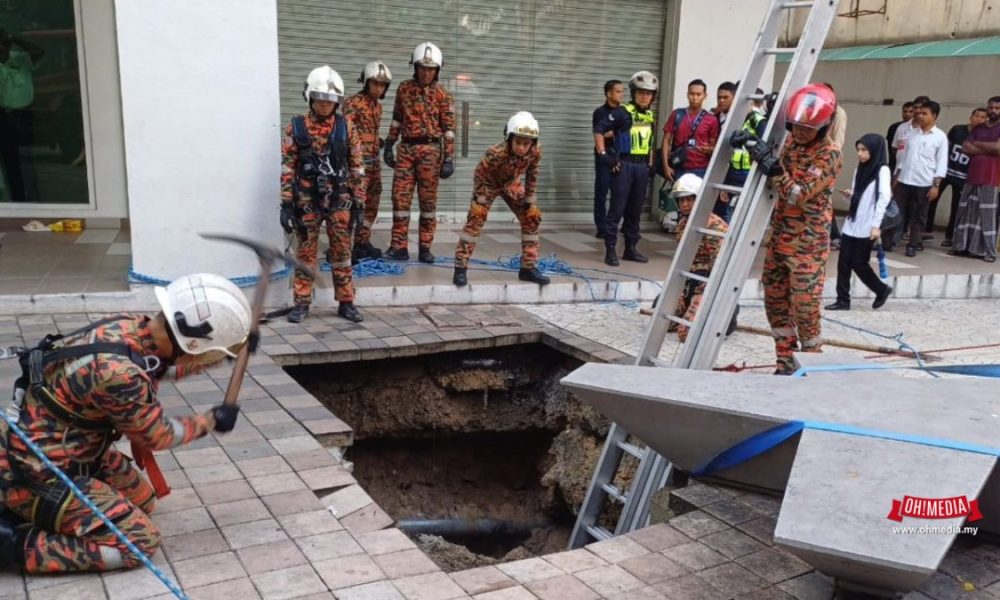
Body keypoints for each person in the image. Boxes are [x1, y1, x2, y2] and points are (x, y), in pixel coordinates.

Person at [0, 273, 250, 573]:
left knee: (143, 500)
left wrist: (226, 354)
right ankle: (15, 543)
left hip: (76, 448)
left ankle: (71, 511)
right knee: (139, 543)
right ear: (192, 344)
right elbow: (157, 436)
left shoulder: (130, 327)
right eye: (206, 353)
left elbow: (161, 368)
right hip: (38, 471)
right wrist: (211, 421)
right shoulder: (120, 375)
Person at [761, 83, 843, 375]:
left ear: (823, 127)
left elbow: (798, 193)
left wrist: (774, 171)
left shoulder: (829, 154)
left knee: (806, 310)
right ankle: (784, 364)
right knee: (775, 304)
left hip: (807, 247)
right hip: (779, 240)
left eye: (807, 129)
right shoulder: (790, 145)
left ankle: (811, 367)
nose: (799, 133)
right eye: (795, 126)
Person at [279, 65, 366, 323]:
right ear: (310, 97)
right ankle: (301, 303)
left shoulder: (346, 127)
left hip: (340, 198)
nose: (326, 104)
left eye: (331, 100)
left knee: (341, 253)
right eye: (321, 98)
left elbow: (357, 166)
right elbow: (287, 167)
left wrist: (359, 201)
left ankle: (347, 302)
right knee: (306, 252)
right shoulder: (296, 128)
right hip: (307, 200)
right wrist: (285, 203)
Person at [453, 112, 549, 287]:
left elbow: (532, 174)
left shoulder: (536, 152)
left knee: (532, 217)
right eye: (518, 142)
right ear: (509, 138)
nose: (521, 147)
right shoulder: (495, 153)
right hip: (488, 184)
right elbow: (479, 174)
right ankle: (460, 267)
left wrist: (529, 200)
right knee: (476, 218)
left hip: (511, 183)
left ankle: (528, 268)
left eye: (526, 143)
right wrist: (481, 196)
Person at [383, 42, 456, 264]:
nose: (426, 72)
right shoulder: (404, 88)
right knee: (400, 199)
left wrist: (448, 158)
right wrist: (389, 144)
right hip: (406, 149)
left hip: (431, 152)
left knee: (428, 203)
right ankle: (399, 247)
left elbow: (449, 130)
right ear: (415, 67)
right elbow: (396, 118)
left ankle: (425, 247)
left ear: (437, 70)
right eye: (422, 68)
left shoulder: (443, 94)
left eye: (431, 68)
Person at [594, 70, 659, 266]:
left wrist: (651, 165)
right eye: (641, 93)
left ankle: (630, 249)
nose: (644, 96)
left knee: (635, 211)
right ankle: (611, 251)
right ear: (633, 93)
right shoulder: (623, 112)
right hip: (625, 166)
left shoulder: (649, 115)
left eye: (648, 93)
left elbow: (649, 142)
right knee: (617, 210)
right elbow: (598, 130)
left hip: (641, 168)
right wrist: (604, 155)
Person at [825, 134, 893, 311]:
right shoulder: (860, 169)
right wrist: (850, 196)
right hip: (853, 222)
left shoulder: (882, 170)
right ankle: (842, 299)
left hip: (868, 225)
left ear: (875, 150)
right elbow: (858, 196)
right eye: (858, 150)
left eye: (864, 150)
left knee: (859, 262)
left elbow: (884, 197)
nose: (860, 154)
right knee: (843, 262)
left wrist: (876, 225)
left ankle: (881, 289)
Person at [664, 174, 736, 340]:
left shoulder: (714, 227)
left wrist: (705, 293)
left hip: (706, 283)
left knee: (686, 334)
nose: (685, 205)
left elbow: (720, 267)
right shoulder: (682, 224)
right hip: (688, 281)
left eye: (689, 200)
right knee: (663, 321)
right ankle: (691, 308)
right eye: (681, 200)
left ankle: (724, 313)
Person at [345, 61, 392, 263]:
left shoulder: (378, 107)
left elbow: (371, 133)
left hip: (374, 163)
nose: (379, 88)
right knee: (354, 205)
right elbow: (346, 133)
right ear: (366, 82)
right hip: (358, 164)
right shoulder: (352, 103)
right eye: (375, 83)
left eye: (383, 85)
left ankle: (362, 241)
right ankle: (344, 247)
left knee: (372, 203)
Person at [893, 100, 948, 258]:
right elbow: (902, 158)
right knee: (896, 212)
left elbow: (941, 163)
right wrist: (896, 177)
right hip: (904, 180)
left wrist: (936, 185)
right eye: (919, 113)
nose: (920, 116)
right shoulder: (911, 134)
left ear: (934, 116)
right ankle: (888, 241)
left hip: (924, 182)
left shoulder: (940, 137)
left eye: (925, 114)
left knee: (918, 216)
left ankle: (913, 244)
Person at [952, 96, 1000, 263]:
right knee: (965, 212)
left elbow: (998, 148)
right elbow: (966, 147)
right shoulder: (978, 128)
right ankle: (962, 247)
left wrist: (978, 145)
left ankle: (988, 252)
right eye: (991, 107)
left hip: (990, 178)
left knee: (986, 216)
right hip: (972, 176)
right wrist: (988, 147)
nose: (993, 111)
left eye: (997, 108)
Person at [0, 27, 44, 203]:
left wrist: (14, 37)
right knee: (9, 162)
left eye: (3, 44)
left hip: (20, 116)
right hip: (1, 115)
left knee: (22, 161)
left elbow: (39, 52)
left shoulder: (21, 59)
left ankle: (26, 202)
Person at [715, 89, 767, 222]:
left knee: (741, 215)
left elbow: (764, 146)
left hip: (748, 173)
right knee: (726, 213)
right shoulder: (736, 119)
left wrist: (752, 137)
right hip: (731, 172)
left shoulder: (759, 120)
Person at [940, 108, 987, 246]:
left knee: (956, 207)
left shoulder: (982, 136)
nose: (979, 119)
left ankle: (950, 236)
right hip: (947, 171)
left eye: (983, 117)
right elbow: (945, 148)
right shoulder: (957, 130)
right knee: (931, 201)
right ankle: (925, 231)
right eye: (977, 116)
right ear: (971, 117)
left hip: (963, 176)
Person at [661, 79, 719, 182]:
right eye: (692, 94)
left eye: (698, 94)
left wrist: (709, 149)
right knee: (679, 197)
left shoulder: (712, 119)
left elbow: (713, 146)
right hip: (678, 166)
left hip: (701, 169)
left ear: (705, 96)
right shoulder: (677, 114)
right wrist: (666, 167)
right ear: (687, 94)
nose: (695, 98)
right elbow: (665, 141)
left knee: (697, 198)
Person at [592, 80, 624, 239]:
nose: (621, 94)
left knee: (619, 192)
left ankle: (614, 224)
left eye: (622, 91)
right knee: (601, 191)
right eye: (618, 91)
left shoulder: (623, 112)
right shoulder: (600, 112)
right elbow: (600, 134)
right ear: (608, 93)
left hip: (620, 155)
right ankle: (601, 226)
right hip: (604, 156)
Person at [887, 101, 915, 172]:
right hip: (895, 164)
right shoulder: (895, 127)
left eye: (910, 111)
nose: (907, 114)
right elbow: (892, 148)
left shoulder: (918, 128)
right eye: (905, 111)